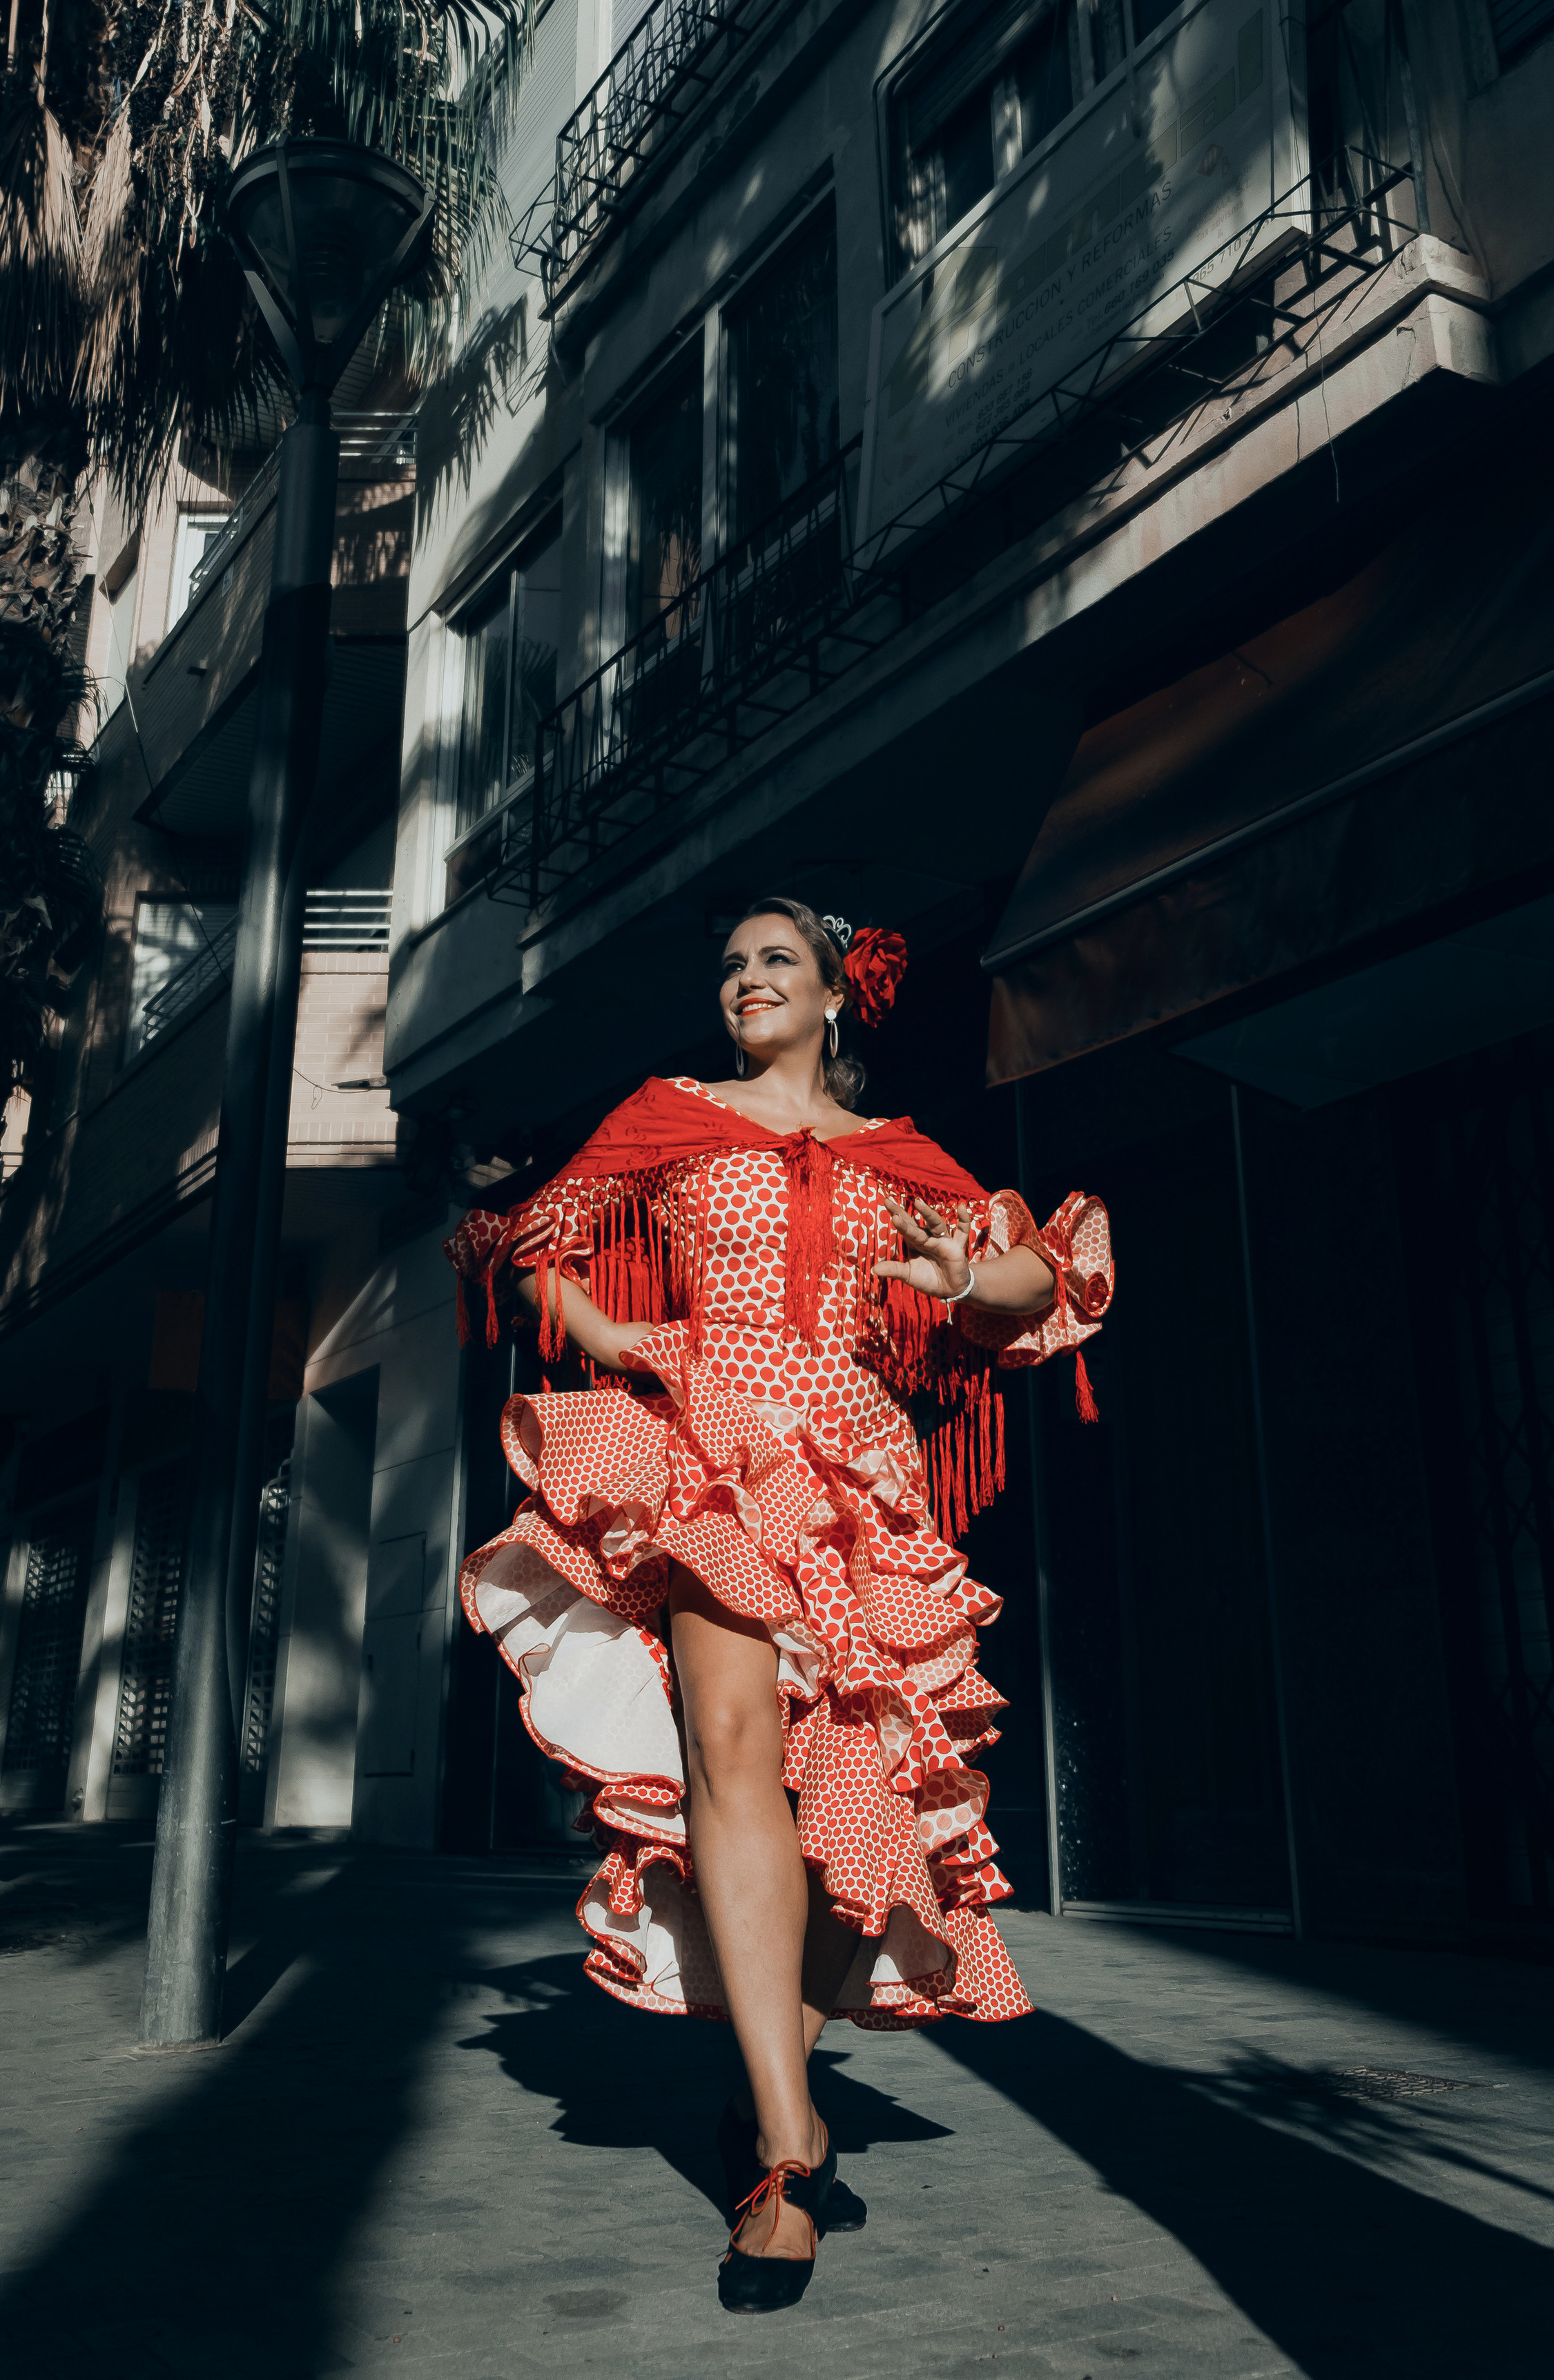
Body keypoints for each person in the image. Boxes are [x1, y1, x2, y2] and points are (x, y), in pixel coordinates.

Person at [446, 898, 1112, 2312]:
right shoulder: (668, 1113)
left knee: (866, 1806)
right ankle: (782, 2159)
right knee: (730, 1753)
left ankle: (781, 2093)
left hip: (859, 1462)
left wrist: (960, 1270)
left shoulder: (893, 1153)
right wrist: (604, 1331)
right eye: (732, 963)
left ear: (831, 999)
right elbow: (529, 1248)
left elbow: (1027, 1279)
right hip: (708, 1430)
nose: (744, 979)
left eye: (773, 962)